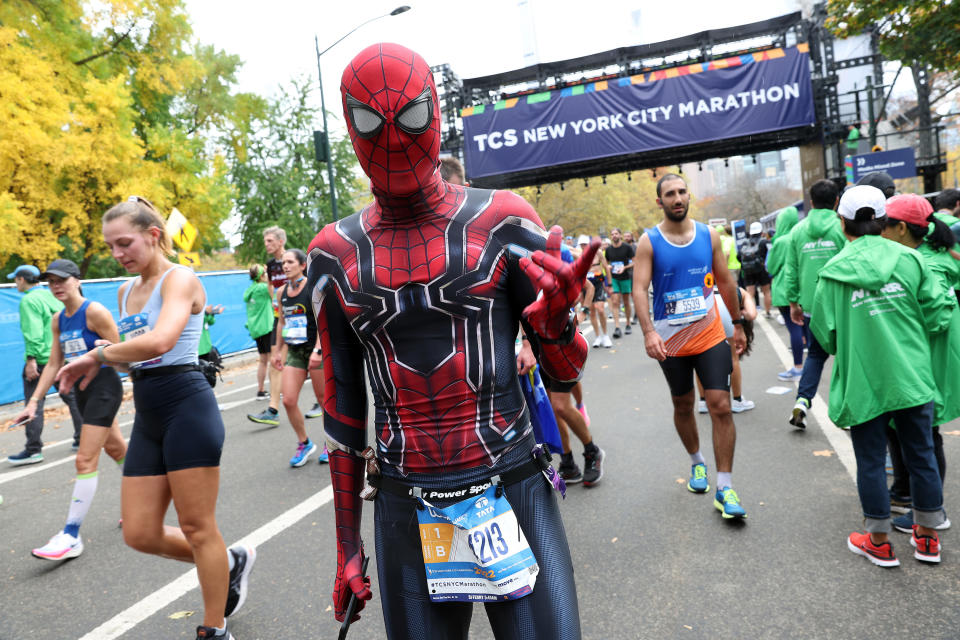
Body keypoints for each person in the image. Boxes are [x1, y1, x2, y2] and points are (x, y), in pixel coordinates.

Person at [308, 42, 598, 639]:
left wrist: (555, 324)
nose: (392, 137)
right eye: (370, 121)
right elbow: (341, 415)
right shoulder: (333, 255)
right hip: (403, 499)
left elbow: (566, 374)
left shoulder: (503, 222)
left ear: (435, 112)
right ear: (349, 126)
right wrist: (346, 549)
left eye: (409, 117)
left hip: (510, 481)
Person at [56, 196, 254, 640]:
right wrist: (102, 363)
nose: (117, 254)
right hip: (148, 410)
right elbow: (133, 358)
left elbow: (162, 341)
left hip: (187, 405)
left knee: (197, 527)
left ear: (153, 235)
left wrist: (96, 355)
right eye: (110, 246)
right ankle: (231, 561)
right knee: (141, 532)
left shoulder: (179, 278)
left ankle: (214, 627)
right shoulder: (125, 292)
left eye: (125, 243)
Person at [811, 185, 949, 566]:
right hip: (912, 376)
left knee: (871, 461)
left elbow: (827, 335)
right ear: (884, 219)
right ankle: (927, 538)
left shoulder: (832, 273)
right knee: (921, 454)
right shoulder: (912, 261)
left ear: (843, 223)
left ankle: (878, 542)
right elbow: (938, 313)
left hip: (864, 380)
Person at [633, 173, 748, 519]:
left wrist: (738, 323)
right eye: (670, 194)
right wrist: (649, 332)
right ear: (660, 202)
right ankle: (697, 463)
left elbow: (726, 281)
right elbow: (639, 289)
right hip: (671, 339)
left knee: (720, 405)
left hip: (710, 334)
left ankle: (725, 487)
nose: (678, 198)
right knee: (683, 404)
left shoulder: (708, 235)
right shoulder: (649, 241)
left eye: (682, 191)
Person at [11, 259, 127, 561]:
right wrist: (34, 403)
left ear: (77, 280)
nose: (56, 286)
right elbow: (53, 363)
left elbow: (122, 355)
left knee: (85, 458)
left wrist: (101, 354)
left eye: (62, 279)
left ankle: (71, 536)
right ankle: (145, 497)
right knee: (116, 449)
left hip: (104, 388)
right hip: (82, 392)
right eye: (50, 282)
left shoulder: (95, 312)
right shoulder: (58, 319)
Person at [880, 194, 959, 533]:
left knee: (926, 435)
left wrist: (904, 328)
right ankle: (910, 495)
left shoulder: (930, 263)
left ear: (900, 228)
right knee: (911, 432)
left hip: (931, 360)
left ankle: (931, 511)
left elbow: (938, 315)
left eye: (883, 225)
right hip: (924, 358)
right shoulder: (920, 255)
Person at [783, 179, 845, 429]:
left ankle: (802, 401)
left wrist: (793, 303)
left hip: (811, 306)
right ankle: (846, 410)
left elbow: (791, 270)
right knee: (846, 357)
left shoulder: (797, 231)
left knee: (816, 356)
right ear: (837, 201)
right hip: (842, 304)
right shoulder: (843, 228)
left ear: (811, 202)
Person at [6, 264, 84, 465]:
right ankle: (82, 438)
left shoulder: (29, 300)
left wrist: (31, 359)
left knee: (34, 403)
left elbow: (33, 332)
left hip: (41, 359)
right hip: (62, 356)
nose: (15, 283)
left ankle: (33, 450)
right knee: (72, 398)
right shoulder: (52, 296)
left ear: (22, 279)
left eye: (16, 279)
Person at [272, 248, 327, 467]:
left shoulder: (313, 288)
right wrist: (277, 350)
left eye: (290, 262)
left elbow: (324, 321)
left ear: (302, 265)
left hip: (314, 349)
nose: (285, 266)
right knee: (288, 399)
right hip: (295, 350)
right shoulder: (280, 292)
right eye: (283, 263)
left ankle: (330, 444)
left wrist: (318, 350)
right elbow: (282, 323)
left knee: (323, 401)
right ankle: (304, 443)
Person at [764, 207, 803, 378]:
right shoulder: (800, 236)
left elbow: (771, 267)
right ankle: (803, 360)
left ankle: (798, 367)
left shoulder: (779, 242)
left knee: (793, 328)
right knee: (803, 329)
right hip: (803, 289)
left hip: (783, 289)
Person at [243, 264, 274, 400]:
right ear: (262, 275)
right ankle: (276, 388)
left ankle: (261, 390)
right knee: (273, 359)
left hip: (256, 329)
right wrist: (270, 275)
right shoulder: (263, 288)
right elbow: (273, 293)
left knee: (263, 360)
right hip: (266, 327)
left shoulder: (250, 290)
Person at [604, 227, 635, 338]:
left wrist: (625, 267)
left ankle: (628, 324)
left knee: (626, 302)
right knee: (615, 301)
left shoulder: (627, 247)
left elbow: (635, 262)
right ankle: (617, 327)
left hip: (626, 277)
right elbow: (606, 263)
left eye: (616, 233)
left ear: (620, 235)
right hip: (614, 278)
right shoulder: (608, 250)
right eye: (612, 234)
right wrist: (608, 266)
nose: (614, 236)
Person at [739, 221, 772, 317]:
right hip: (762, 270)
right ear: (761, 231)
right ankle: (767, 312)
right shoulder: (764, 242)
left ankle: (749, 313)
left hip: (748, 270)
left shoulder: (744, 242)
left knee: (749, 293)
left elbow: (738, 256)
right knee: (766, 292)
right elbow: (770, 255)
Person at [586, 235, 612, 347]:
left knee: (600, 309)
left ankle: (605, 335)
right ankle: (597, 337)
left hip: (598, 282)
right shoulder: (581, 254)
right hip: (587, 284)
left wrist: (609, 284)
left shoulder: (599, 253)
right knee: (591, 311)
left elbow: (606, 268)